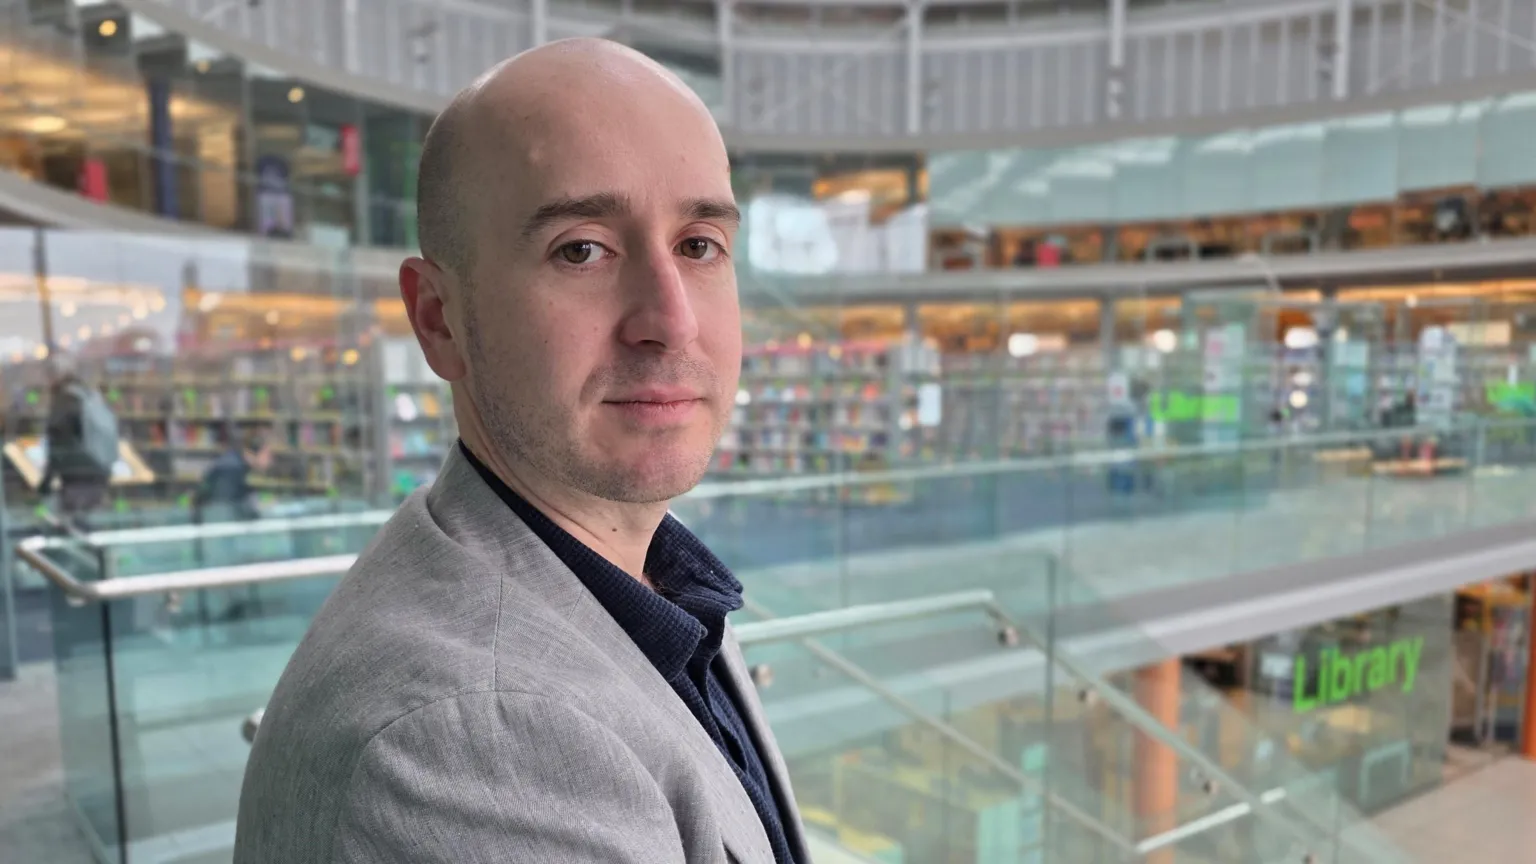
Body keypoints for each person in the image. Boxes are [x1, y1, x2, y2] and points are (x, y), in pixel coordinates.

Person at [235, 38, 807, 864]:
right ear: (439, 318)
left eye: (698, 245)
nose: (672, 320)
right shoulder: (473, 742)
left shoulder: (650, 581)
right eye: (581, 249)